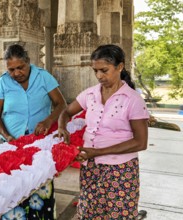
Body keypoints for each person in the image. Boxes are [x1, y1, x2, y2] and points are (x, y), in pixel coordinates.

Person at [56, 44, 149, 219]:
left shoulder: (133, 100)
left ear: (120, 67)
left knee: (118, 215)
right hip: (91, 167)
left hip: (120, 169)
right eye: (95, 71)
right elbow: (66, 112)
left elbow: (140, 142)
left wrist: (98, 152)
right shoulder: (90, 94)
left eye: (104, 70)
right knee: (90, 214)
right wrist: (62, 128)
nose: (99, 76)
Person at [0, 44, 67, 219]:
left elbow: (61, 104)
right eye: (11, 69)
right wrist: (8, 136)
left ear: (28, 62)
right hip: (11, 146)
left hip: (40, 146)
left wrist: (49, 120)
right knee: (12, 193)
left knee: (40, 192)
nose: (16, 73)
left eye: (20, 68)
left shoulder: (43, 77)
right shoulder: (1, 83)